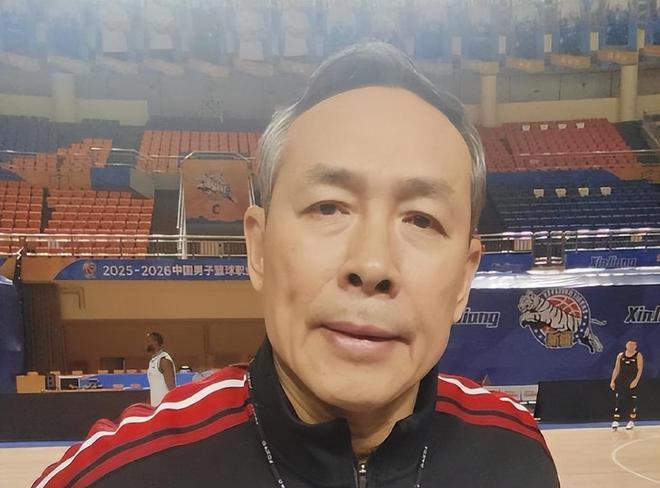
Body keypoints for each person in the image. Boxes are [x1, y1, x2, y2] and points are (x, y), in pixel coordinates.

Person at [33, 42, 559, 487]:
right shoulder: (118, 475)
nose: (372, 263)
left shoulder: (515, 453)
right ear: (258, 249)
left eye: (421, 219)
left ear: (465, 277)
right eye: (329, 207)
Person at [610, 340, 644, 431]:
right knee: (619, 400)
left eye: (633, 345)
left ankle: (631, 421)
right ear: (626, 345)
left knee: (632, 401)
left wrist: (636, 381)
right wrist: (612, 380)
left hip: (632, 382)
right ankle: (616, 420)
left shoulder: (638, 355)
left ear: (635, 346)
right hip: (621, 381)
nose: (631, 346)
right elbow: (616, 369)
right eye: (629, 345)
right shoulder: (620, 355)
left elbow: (640, 369)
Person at [146, 331, 176, 407]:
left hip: (165, 407)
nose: (146, 344)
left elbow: (172, 388)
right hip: (156, 406)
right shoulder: (153, 361)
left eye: (148, 341)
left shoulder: (164, 360)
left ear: (156, 342)